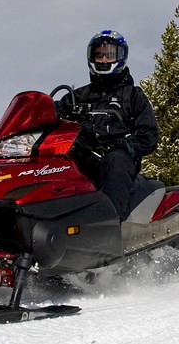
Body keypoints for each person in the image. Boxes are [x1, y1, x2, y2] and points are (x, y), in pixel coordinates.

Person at [55, 30, 159, 220]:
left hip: (117, 158)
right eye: (99, 54)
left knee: (115, 161)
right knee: (54, 163)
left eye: (109, 54)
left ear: (120, 57)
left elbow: (149, 135)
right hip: (84, 154)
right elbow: (51, 114)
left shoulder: (133, 97)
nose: (103, 59)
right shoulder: (77, 96)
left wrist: (124, 145)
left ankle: (109, 227)